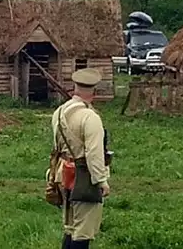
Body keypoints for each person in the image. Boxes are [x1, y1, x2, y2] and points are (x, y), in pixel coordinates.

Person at [51, 68, 110, 249]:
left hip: (63, 173)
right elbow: (94, 154)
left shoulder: (59, 112)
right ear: (94, 90)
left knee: (70, 228)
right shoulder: (90, 117)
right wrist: (101, 181)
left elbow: (56, 147)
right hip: (83, 178)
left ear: (75, 87)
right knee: (83, 232)